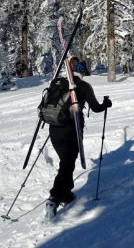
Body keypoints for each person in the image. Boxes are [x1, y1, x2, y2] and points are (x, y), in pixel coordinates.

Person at [46, 57, 112, 219]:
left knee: (66, 162)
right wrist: (106, 104)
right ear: (82, 71)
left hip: (54, 130)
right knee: (67, 164)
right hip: (72, 129)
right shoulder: (82, 86)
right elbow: (96, 108)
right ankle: (53, 198)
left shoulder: (59, 83)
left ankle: (66, 194)